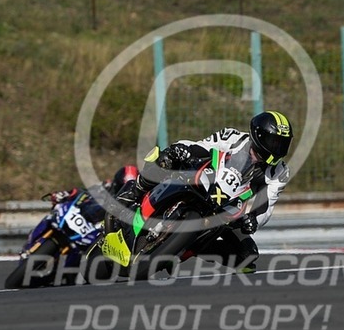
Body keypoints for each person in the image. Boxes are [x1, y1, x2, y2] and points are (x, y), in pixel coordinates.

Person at [115, 111, 293, 274]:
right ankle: (134, 192)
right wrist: (183, 150)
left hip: (229, 207)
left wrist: (252, 220)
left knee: (247, 255)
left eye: (282, 144)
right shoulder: (233, 137)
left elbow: (267, 205)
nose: (278, 149)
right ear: (259, 135)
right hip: (203, 179)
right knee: (166, 158)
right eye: (275, 142)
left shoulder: (280, 172)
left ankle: (181, 249)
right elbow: (202, 146)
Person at [47, 164, 139, 224]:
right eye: (121, 186)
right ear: (117, 181)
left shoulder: (130, 203)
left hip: (95, 228)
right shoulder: (106, 185)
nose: (122, 190)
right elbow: (84, 192)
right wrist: (66, 194)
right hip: (80, 214)